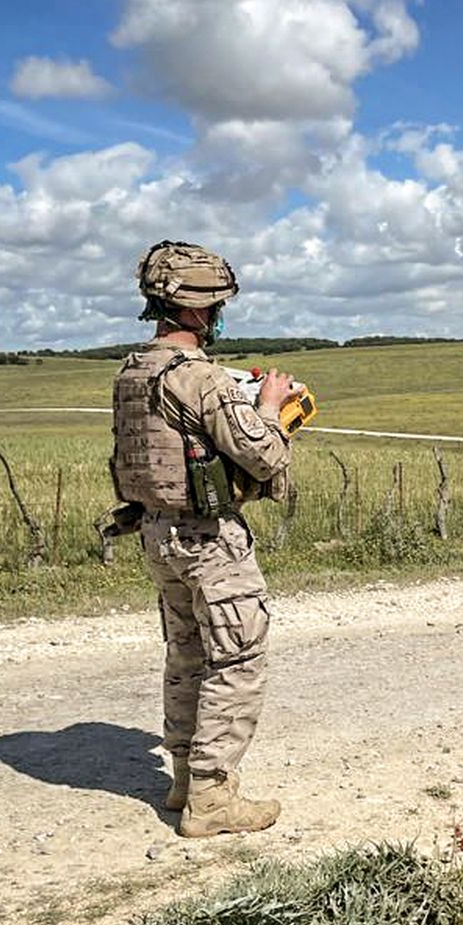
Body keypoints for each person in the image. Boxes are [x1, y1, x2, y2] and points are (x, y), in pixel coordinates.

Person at [110, 241, 298, 838]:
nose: (218, 314)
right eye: (214, 304)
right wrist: (269, 406)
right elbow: (264, 456)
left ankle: (184, 778)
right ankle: (212, 799)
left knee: (187, 652)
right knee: (237, 657)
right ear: (196, 309)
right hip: (208, 538)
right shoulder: (200, 379)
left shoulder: (135, 370)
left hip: (156, 532)